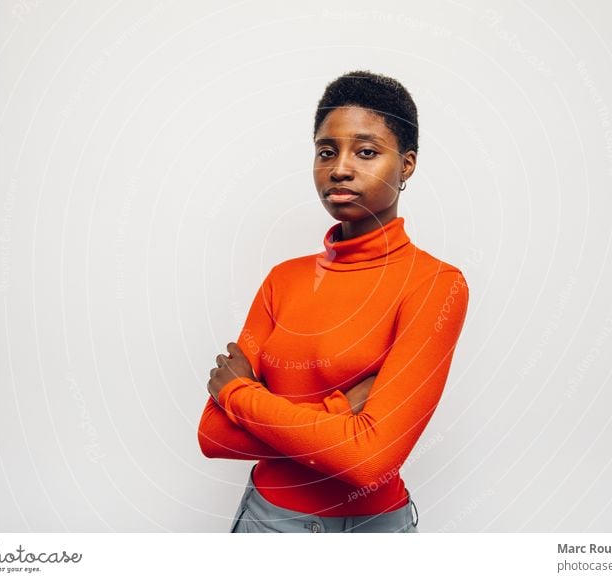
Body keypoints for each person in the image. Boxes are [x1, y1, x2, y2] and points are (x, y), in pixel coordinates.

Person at [198, 70, 469, 533]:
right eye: (327, 151)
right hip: (269, 523)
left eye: (366, 151)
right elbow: (215, 436)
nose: (340, 168)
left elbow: (370, 459)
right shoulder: (283, 280)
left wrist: (239, 394)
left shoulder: (435, 285)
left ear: (407, 165)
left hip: (374, 529)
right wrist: (342, 415)